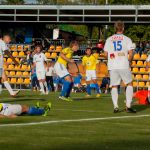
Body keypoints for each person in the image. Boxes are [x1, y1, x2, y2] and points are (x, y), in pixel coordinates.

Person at [104, 20, 136, 113]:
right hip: (123, 64)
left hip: (112, 65)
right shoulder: (127, 39)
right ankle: (128, 106)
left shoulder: (109, 39)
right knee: (129, 84)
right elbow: (131, 53)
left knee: (114, 86)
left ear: (115, 28)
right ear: (123, 28)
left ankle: (116, 107)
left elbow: (105, 54)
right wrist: (129, 61)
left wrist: (111, 59)